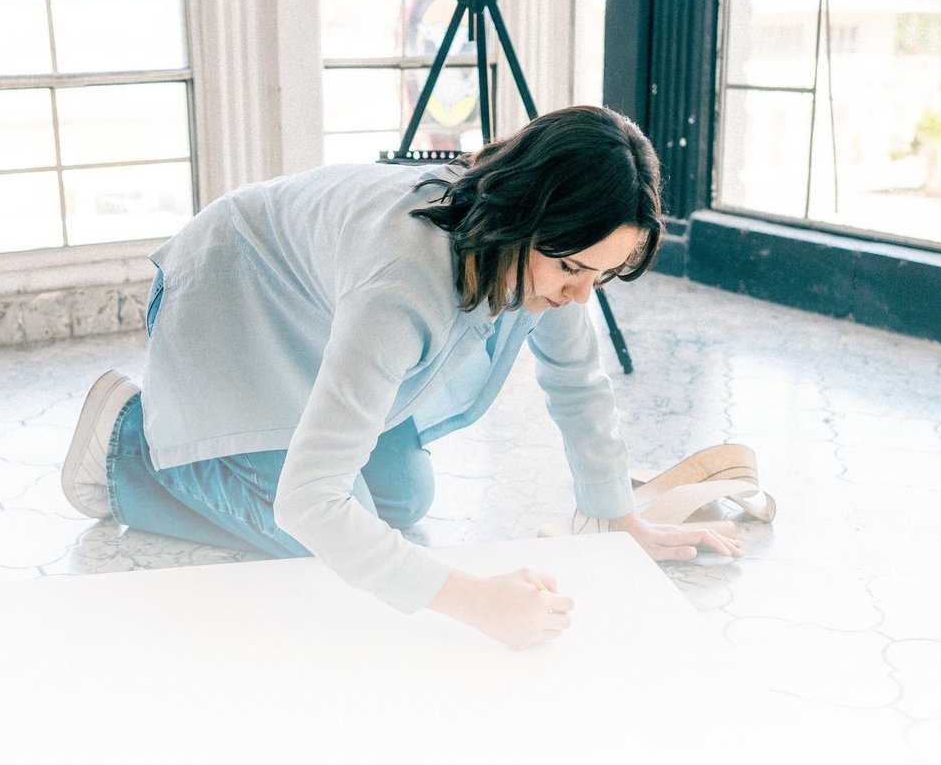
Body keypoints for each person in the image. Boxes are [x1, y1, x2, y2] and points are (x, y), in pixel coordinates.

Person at [59, 105, 739, 650]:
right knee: (313, 527)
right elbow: (310, 502)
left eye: (603, 274)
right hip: (225, 295)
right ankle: (128, 442)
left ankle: (195, 437)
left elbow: (578, 381)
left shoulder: (554, 259)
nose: (582, 295)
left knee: (400, 500)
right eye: (572, 271)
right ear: (523, 221)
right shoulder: (403, 284)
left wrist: (619, 519)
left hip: (311, 312)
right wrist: (475, 601)